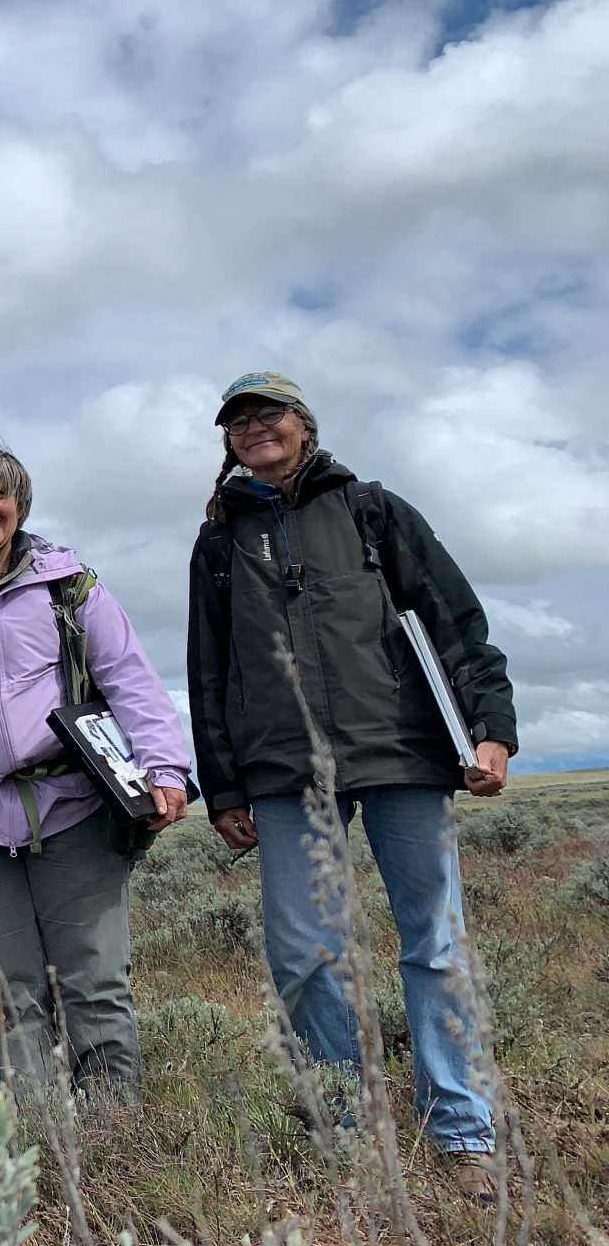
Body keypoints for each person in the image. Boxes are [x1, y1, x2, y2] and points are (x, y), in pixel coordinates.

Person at [185, 371, 515, 1198]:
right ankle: (346, 1124)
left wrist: (492, 726)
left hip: (402, 750)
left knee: (434, 942)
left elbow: (453, 617)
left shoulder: (372, 507)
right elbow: (206, 667)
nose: (256, 427)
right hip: (285, 766)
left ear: (304, 425)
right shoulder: (220, 541)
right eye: (239, 421)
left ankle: (462, 1129)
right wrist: (222, 786)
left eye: (271, 414)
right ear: (228, 442)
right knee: (301, 951)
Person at [0, 440, 189, 1094]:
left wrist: (165, 766)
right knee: (0, 986)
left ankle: (111, 1142)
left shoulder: (69, 587)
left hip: (74, 807)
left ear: (20, 505)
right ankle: (31, 1140)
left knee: (94, 981)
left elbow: (129, 678)